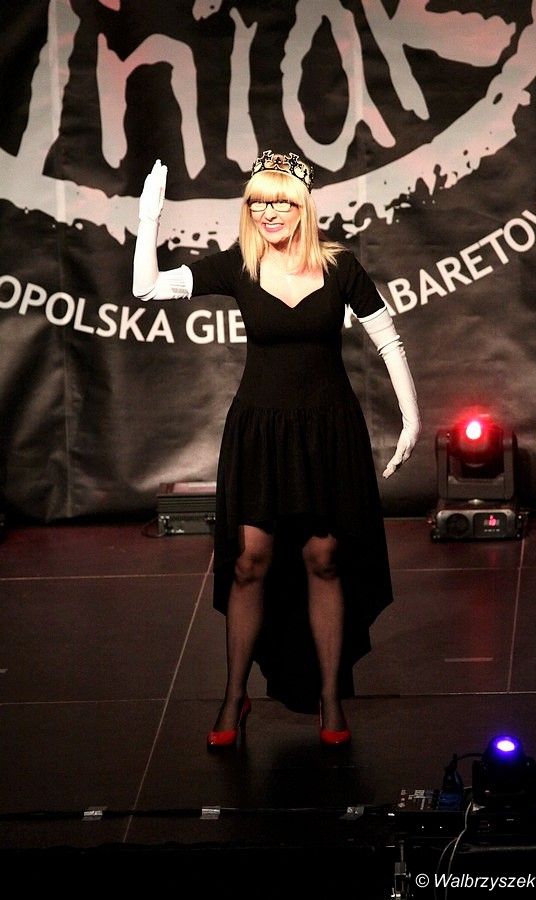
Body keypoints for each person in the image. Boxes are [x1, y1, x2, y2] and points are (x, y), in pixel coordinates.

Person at [133, 150, 421, 748]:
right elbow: (148, 288)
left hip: (327, 433)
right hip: (260, 434)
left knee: (324, 559)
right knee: (248, 563)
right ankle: (234, 696)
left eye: (280, 202)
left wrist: (411, 418)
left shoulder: (339, 265)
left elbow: (389, 341)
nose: (268, 212)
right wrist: (148, 218)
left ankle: (331, 698)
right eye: (258, 202)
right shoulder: (240, 265)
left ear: (303, 206)